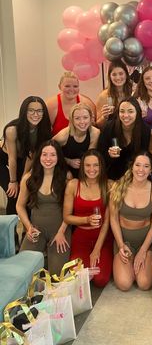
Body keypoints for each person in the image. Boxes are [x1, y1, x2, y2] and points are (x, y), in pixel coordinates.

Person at [16, 140, 71, 275]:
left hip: (59, 231)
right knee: (22, 270)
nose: (48, 159)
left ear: (58, 157)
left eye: (52, 155)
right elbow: (19, 206)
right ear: (39, 156)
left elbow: (70, 210)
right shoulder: (29, 178)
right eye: (44, 154)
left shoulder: (66, 177)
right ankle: (43, 261)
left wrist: (61, 232)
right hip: (36, 231)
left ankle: (48, 262)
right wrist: (29, 227)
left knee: (57, 275)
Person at [109, 152, 152, 291]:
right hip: (124, 242)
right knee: (124, 284)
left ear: (151, 170)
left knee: (144, 284)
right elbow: (113, 219)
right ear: (131, 167)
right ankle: (128, 265)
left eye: (146, 166)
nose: (141, 170)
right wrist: (120, 245)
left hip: (145, 243)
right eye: (138, 165)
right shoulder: (118, 187)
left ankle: (138, 265)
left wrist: (143, 250)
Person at [63, 149, 113, 287]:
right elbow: (67, 217)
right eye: (88, 165)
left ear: (101, 166)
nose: (92, 169)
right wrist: (86, 220)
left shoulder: (109, 185)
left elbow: (108, 222)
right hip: (81, 237)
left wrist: (96, 250)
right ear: (82, 167)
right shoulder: (73, 185)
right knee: (77, 278)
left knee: (100, 279)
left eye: (96, 165)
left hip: (103, 238)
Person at [0, 96, 51, 214]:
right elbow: (11, 158)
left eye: (39, 111)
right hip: (4, 160)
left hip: (22, 159)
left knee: (26, 191)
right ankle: (11, 232)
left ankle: (26, 230)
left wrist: (23, 180)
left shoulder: (43, 130)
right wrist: (13, 181)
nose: (35, 114)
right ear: (24, 111)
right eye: (31, 110)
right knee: (13, 194)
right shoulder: (12, 130)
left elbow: (31, 158)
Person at [97, 97, 151, 180]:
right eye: (122, 111)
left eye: (130, 111)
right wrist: (109, 155)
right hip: (112, 173)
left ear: (137, 113)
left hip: (135, 174)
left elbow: (144, 155)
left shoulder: (144, 130)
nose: (125, 115)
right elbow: (100, 154)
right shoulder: (109, 127)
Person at [53, 103, 100, 178]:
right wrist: (69, 161)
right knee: (69, 177)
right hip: (63, 166)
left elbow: (90, 156)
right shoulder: (63, 135)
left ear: (91, 118)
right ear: (72, 120)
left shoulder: (95, 133)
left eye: (85, 117)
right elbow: (50, 154)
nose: (82, 122)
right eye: (77, 118)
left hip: (84, 167)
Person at [46, 71, 96, 136]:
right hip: (58, 144)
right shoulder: (51, 105)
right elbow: (45, 132)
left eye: (75, 86)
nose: (71, 89)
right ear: (59, 86)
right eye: (67, 86)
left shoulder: (87, 103)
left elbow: (94, 129)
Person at [95, 59, 132, 129]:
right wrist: (104, 117)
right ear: (110, 77)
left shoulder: (133, 93)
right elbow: (98, 125)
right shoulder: (104, 96)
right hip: (112, 135)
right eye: (114, 74)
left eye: (121, 74)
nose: (118, 78)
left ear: (126, 75)